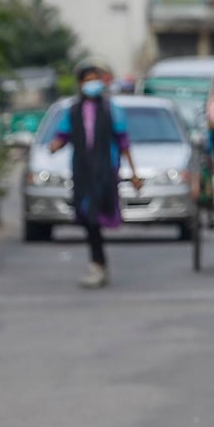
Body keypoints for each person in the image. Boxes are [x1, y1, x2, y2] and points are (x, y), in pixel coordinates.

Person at [48, 62, 143, 289]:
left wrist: (134, 172)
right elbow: (63, 136)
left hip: (105, 171)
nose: (92, 84)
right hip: (82, 171)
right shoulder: (72, 111)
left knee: (95, 216)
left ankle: (97, 264)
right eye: (88, 80)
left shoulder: (112, 110)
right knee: (87, 217)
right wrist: (54, 145)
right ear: (80, 84)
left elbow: (124, 142)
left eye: (95, 79)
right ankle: (99, 263)